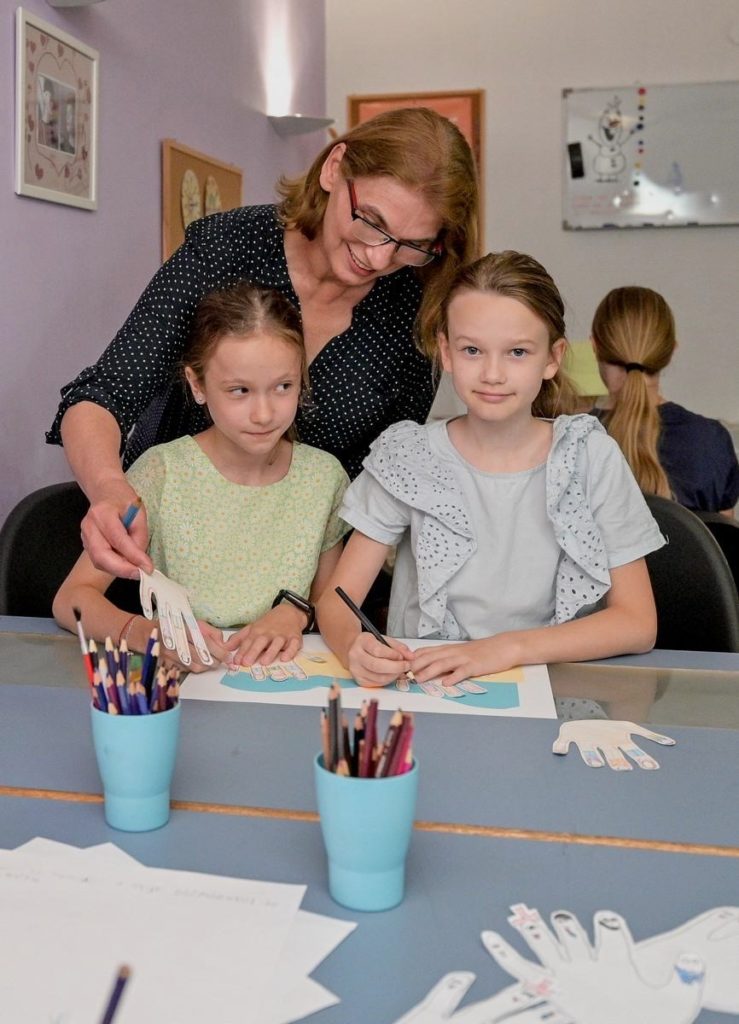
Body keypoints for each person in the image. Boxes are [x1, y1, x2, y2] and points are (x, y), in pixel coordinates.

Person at [46, 108, 479, 579]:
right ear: (334, 168)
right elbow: (104, 394)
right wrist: (109, 489)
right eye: (372, 222)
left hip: (301, 580)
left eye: (411, 244)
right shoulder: (227, 248)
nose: (378, 257)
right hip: (160, 557)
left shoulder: (417, 310)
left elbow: (380, 476)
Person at [316, 251, 666, 688]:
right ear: (446, 351)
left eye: (517, 352)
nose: (492, 373)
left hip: (553, 689)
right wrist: (354, 646)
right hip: (427, 689)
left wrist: (504, 648)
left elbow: (637, 622)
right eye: (472, 350)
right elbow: (337, 601)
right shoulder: (407, 454)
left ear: (553, 358)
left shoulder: (590, 455)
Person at [53, 283, 350, 670]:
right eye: (240, 390)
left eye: (283, 386)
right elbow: (72, 599)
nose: (264, 414)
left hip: (284, 681)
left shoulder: (324, 478)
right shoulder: (161, 472)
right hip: (182, 678)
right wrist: (146, 635)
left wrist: (295, 613)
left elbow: (330, 600)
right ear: (197, 385)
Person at [590, 286, 739, 516]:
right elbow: (720, 537)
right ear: (671, 351)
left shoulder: (565, 441)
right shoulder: (712, 441)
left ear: (594, 346)